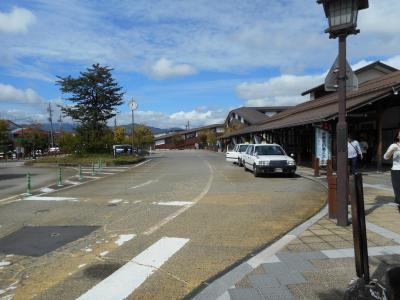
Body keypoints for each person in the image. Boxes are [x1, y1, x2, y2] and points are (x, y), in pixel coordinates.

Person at [384, 130, 400, 209]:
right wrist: (391, 151)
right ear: (397, 136)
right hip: (397, 170)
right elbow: (386, 157)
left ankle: (397, 201)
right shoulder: (394, 145)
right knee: (397, 187)